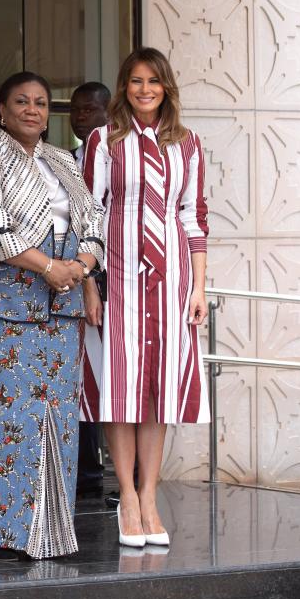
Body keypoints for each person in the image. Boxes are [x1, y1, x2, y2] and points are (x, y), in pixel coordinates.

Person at [0, 72, 105, 560]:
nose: (33, 110)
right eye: (21, 101)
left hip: (62, 301)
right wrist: (50, 267)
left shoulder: (62, 160)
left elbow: (94, 220)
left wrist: (82, 268)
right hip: (3, 304)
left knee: (54, 419)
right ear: (2, 108)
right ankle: (5, 536)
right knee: (4, 417)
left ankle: (50, 534)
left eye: (40, 102)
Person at [82, 47, 211, 548]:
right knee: (121, 389)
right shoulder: (103, 140)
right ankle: (127, 500)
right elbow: (88, 216)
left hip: (172, 278)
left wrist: (198, 286)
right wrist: (89, 284)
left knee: (157, 390)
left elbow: (193, 217)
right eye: (135, 81)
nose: (144, 90)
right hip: (118, 280)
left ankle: (150, 495)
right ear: (124, 86)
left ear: (166, 87)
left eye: (153, 81)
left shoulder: (188, 143)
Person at [69, 81, 112, 498]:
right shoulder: (65, 161)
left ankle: (109, 471)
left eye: (89, 110)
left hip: (112, 283)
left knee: (110, 377)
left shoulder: (116, 156)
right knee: (83, 379)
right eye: (75, 111)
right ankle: (85, 471)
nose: (80, 117)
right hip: (78, 283)